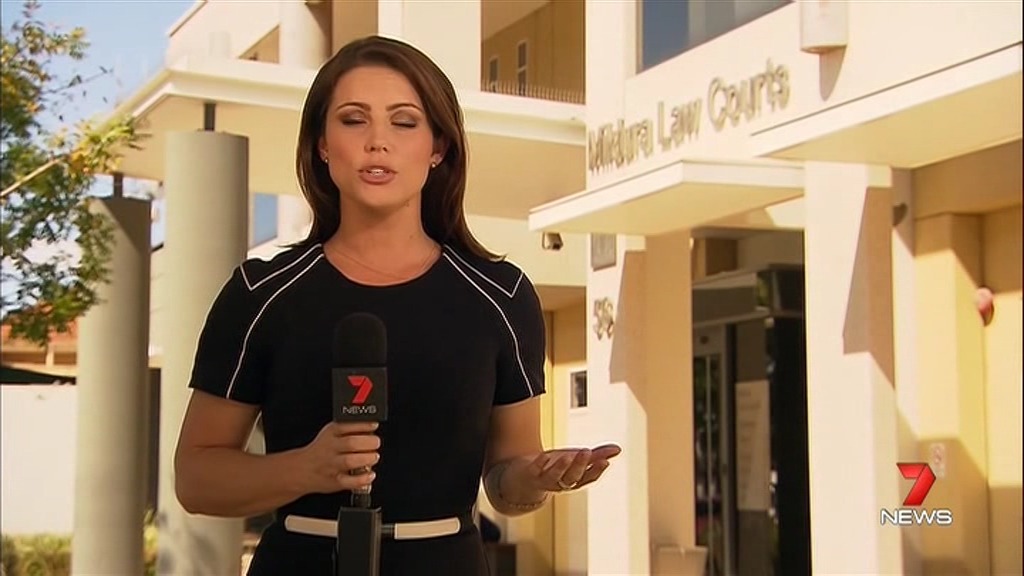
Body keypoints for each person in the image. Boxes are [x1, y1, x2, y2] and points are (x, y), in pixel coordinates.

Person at [173, 35, 621, 576]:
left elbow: (507, 482)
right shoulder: (261, 294)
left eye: (404, 122)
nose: (377, 142)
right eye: (353, 120)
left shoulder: (501, 297)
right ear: (321, 144)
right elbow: (195, 478)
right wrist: (306, 468)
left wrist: (536, 478)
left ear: (438, 148)